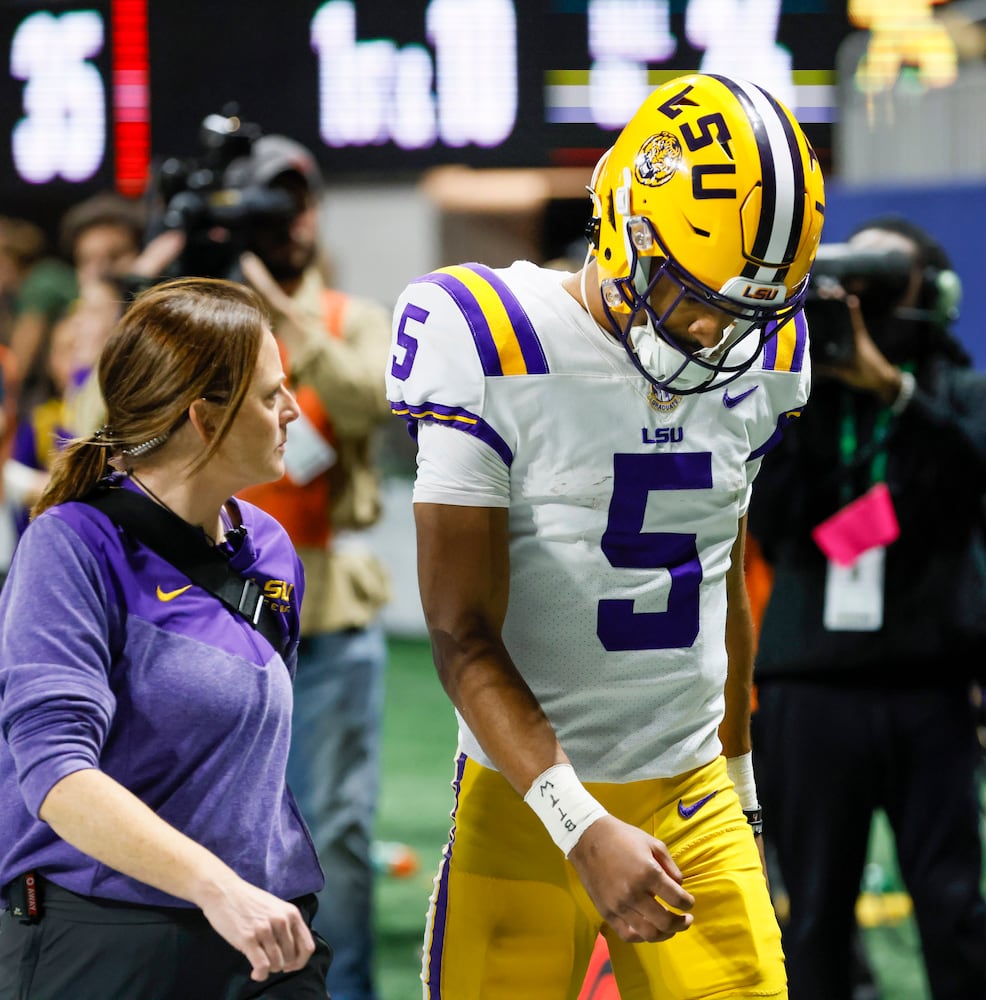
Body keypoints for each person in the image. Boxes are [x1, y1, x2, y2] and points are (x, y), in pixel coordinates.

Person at [385, 72, 826, 999]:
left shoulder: (766, 358)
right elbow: (461, 632)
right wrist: (577, 821)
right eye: (693, 295)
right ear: (621, 221)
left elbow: (721, 577)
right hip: (525, 800)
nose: (713, 332)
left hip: (688, 789)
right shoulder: (493, 339)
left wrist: (740, 791)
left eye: (746, 314)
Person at [0, 276, 333, 999]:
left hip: (264, 935)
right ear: (204, 418)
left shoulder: (270, 547)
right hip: (108, 940)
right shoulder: (70, 546)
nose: (293, 414)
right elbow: (56, 773)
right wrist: (218, 889)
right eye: (272, 394)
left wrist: (251, 897)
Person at [749, 216, 986, 1000]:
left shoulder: (958, 391)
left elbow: (963, 490)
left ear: (934, 293)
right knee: (812, 914)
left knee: (953, 907)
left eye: (889, 281)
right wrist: (815, 395)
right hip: (810, 693)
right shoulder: (797, 397)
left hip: (931, 689)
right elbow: (776, 527)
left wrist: (896, 393)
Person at [232, 134, 393, 1000]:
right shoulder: (200, 317)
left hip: (326, 606)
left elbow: (376, 397)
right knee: (225, 826)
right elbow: (106, 421)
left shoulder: (346, 315)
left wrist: (278, 313)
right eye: (270, 204)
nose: (289, 220)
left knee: (336, 828)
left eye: (298, 201)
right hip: (214, 608)